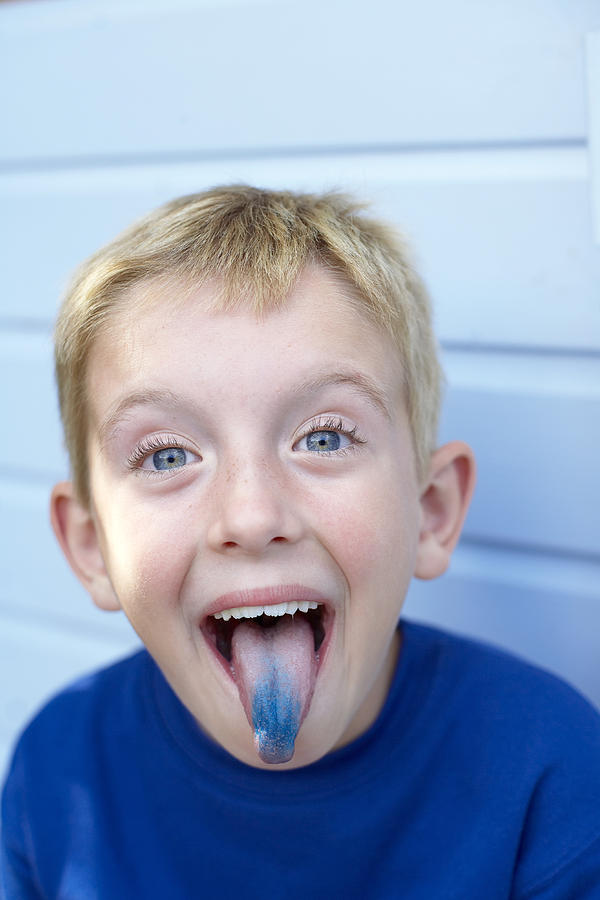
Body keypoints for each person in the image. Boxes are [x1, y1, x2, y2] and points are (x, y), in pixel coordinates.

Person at [1, 186, 599, 899]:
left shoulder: (550, 772)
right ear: (92, 547)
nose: (252, 517)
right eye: (166, 456)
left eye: (323, 437)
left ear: (431, 511)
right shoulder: (58, 767)